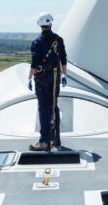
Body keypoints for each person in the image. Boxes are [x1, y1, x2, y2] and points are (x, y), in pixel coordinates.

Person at [27, 12, 67, 151]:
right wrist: (64, 75)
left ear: (40, 24)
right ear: (50, 23)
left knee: (44, 109)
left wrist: (29, 78)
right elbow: (63, 59)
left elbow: (34, 63)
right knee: (53, 106)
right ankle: (56, 141)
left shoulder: (37, 42)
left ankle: (44, 141)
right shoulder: (58, 39)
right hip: (55, 77)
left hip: (42, 78)